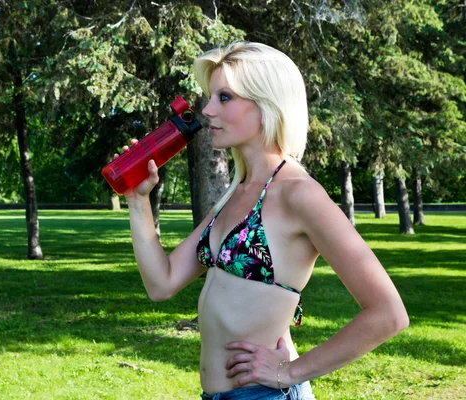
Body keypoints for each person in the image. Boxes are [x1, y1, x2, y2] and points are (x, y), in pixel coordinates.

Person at [114, 41, 409, 400]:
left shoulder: (299, 194)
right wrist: (138, 201)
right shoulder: (236, 193)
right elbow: (162, 283)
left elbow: (388, 314)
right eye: (211, 96)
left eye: (225, 97)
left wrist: (290, 372)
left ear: (266, 103)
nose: (207, 110)